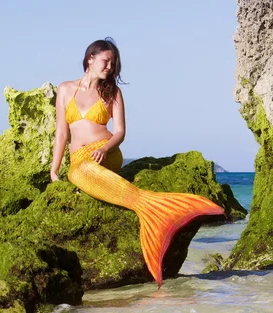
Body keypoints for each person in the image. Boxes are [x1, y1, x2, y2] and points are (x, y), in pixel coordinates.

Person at [50, 38, 225, 287]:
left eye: (113, 63)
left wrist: (106, 148)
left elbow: (120, 132)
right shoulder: (66, 89)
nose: (110, 67)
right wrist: (54, 170)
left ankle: (152, 208)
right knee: (77, 172)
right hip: (79, 158)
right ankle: (153, 208)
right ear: (90, 58)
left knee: (82, 172)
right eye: (105, 60)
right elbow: (61, 133)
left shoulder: (112, 92)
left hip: (106, 151)